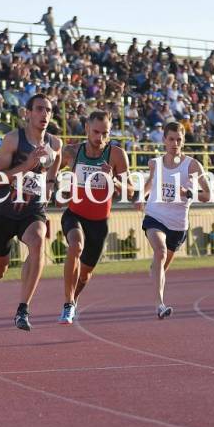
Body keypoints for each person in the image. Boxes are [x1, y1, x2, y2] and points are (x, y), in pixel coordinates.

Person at [0, 93, 62, 331]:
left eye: (48, 110)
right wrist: (26, 165)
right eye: (39, 109)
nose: (44, 114)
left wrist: (50, 186)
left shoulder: (55, 144)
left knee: (38, 241)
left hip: (32, 210)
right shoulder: (13, 140)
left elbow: (54, 166)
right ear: (28, 113)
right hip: (3, 211)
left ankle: (23, 309)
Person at [57, 110, 131, 324]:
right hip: (74, 215)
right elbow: (50, 172)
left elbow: (130, 190)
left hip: (99, 223)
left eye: (105, 133)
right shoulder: (72, 151)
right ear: (87, 128)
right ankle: (67, 303)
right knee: (76, 246)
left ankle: (73, 299)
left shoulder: (116, 155)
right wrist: (56, 191)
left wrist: (113, 180)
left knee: (85, 275)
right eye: (96, 132)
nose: (100, 138)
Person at [136, 121, 211, 318]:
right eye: (171, 139)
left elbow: (207, 195)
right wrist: (140, 196)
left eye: (179, 140)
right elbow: (151, 182)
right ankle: (160, 305)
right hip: (155, 216)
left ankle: (156, 272)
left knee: (161, 267)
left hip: (178, 226)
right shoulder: (155, 163)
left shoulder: (192, 165)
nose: (175, 143)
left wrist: (188, 193)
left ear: (183, 141)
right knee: (160, 252)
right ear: (164, 140)